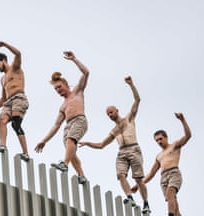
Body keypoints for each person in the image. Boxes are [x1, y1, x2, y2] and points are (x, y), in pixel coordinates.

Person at [79, 76, 151, 213]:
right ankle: (130, 197)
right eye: (108, 114)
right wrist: (88, 143)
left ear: (116, 110)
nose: (110, 115)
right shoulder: (114, 131)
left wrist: (131, 85)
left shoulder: (128, 119)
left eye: (111, 112)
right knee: (121, 175)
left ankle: (146, 203)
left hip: (134, 149)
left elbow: (137, 100)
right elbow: (101, 145)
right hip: (122, 152)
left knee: (138, 179)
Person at [34, 51, 89, 184]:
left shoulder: (77, 92)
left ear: (65, 84)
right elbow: (56, 125)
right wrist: (44, 141)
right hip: (68, 125)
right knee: (71, 150)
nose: (58, 90)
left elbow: (86, 73)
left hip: (79, 120)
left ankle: (64, 164)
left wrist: (74, 59)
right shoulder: (63, 106)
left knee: (70, 141)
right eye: (56, 90)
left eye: (59, 87)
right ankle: (81, 175)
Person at [131, 112, 191, 216]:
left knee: (170, 192)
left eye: (160, 139)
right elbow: (151, 173)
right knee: (173, 203)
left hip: (173, 173)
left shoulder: (174, 146)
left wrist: (182, 120)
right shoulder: (159, 156)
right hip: (163, 178)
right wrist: (139, 184)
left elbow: (188, 136)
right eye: (157, 140)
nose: (159, 142)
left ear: (166, 137)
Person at [0, 41, 30, 161]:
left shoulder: (15, 68)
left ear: (4, 60)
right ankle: (3, 146)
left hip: (19, 98)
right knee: (1, 120)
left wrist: (5, 45)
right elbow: (3, 99)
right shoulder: (2, 79)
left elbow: (18, 54)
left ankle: (25, 153)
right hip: (8, 102)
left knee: (15, 123)